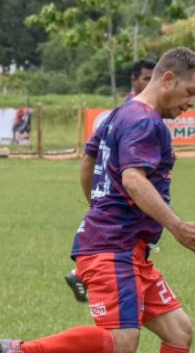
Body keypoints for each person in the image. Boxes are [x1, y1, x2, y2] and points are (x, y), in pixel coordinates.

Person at [0, 46, 195, 353]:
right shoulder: (145, 122)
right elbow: (134, 179)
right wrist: (177, 226)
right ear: (167, 79)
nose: (190, 102)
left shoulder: (117, 114)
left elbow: (87, 162)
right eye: (189, 91)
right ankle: (24, 351)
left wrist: (98, 208)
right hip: (113, 247)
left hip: (124, 246)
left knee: (179, 332)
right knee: (122, 341)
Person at [65, 57, 158, 303]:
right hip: (121, 219)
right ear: (134, 81)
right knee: (121, 335)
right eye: (147, 78)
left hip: (115, 220)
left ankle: (82, 272)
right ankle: (19, 345)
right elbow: (90, 159)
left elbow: (88, 157)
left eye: (154, 78)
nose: (152, 83)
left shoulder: (123, 113)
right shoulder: (139, 116)